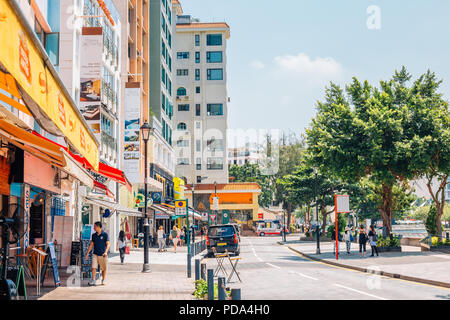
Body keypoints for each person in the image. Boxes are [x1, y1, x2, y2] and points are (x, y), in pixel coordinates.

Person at [85, 221, 110, 286]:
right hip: (95, 254)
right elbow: (91, 245)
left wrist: (106, 252)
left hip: (103, 255)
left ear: (99, 227)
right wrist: (87, 253)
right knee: (93, 267)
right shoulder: (94, 235)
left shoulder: (105, 235)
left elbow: (108, 244)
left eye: (95, 226)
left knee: (104, 268)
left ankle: (103, 280)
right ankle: (93, 280)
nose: (94, 228)